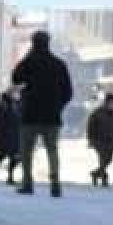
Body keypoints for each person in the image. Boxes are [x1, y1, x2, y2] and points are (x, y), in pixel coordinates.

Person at [12, 30, 74, 198]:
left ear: (33, 43)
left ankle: (27, 183)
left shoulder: (29, 62)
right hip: (52, 116)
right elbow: (68, 92)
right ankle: (55, 183)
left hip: (30, 114)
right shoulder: (59, 64)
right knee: (52, 151)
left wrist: (27, 57)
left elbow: (16, 78)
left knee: (26, 151)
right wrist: (58, 106)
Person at [86, 93, 113, 188]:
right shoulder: (97, 113)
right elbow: (90, 126)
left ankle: (96, 173)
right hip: (99, 139)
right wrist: (90, 138)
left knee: (109, 158)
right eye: (112, 102)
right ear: (106, 102)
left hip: (111, 139)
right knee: (103, 157)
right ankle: (104, 177)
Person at [0, 88, 22, 185]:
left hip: (13, 134)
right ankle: (9, 177)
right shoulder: (5, 105)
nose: (16, 95)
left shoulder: (16, 104)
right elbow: (2, 120)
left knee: (6, 155)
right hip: (5, 134)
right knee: (11, 155)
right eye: (14, 94)